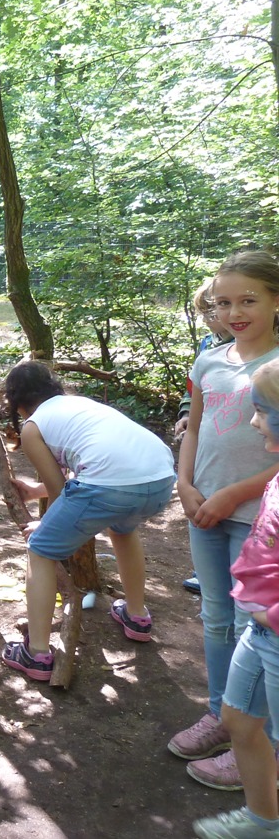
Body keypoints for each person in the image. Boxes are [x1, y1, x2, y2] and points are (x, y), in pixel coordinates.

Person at [172, 250, 279, 790]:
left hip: (260, 519)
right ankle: (220, 714)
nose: (234, 311)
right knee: (215, 618)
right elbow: (194, 427)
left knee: (252, 628)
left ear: (276, 301)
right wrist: (185, 484)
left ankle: (256, 743)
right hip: (202, 508)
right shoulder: (209, 360)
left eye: (248, 300)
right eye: (224, 302)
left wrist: (235, 493)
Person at [0, 361, 176, 682]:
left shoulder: (31, 426)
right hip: (161, 478)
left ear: (17, 402)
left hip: (108, 486)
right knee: (123, 529)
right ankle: (137, 617)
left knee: (40, 550)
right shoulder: (79, 404)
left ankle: (36, 654)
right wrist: (36, 491)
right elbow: (88, 467)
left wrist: (46, 524)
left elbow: (59, 488)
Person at [192, 359, 279, 839]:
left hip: (273, 627)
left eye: (263, 410)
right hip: (258, 628)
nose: (252, 419)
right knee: (238, 719)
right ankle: (264, 820)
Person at [177, 276, 235, 595]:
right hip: (207, 439)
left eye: (212, 311)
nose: (208, 319)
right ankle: (205, 571)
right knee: (203, 499)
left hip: (241, 443)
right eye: (205, 313)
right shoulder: (206, 346)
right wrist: (186, 414)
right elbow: (193, 387)